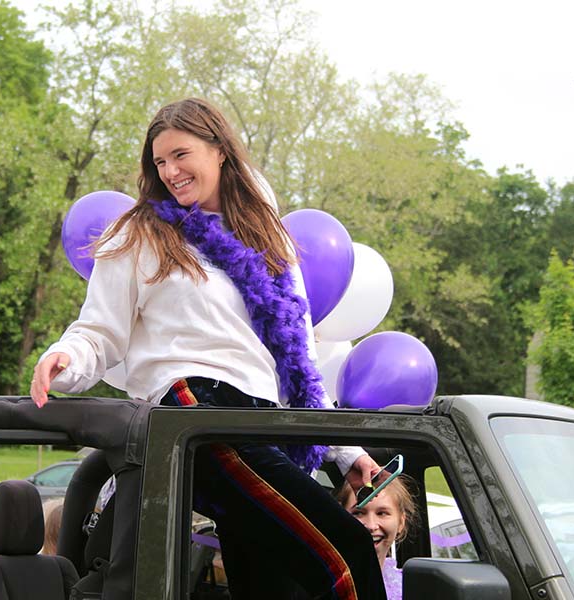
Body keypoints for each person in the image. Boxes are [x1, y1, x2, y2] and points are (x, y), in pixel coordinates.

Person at [31, 97, 386, 599]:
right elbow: (98, 332)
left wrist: (345, 451)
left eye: (181, 154)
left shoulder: (271, 242)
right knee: (345, 547)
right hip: (194, 414)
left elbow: (299, 361)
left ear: (219, 150)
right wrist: (63, 360)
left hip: (264, 422)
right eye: (159, 162)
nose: (170, 171)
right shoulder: (140, 233)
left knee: (272, 588)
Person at [337, 475, 419, 600]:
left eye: (382, 513)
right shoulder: (324, 586)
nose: (371, 526)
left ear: (401, 522)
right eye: (358, 513)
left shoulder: (411, 589)